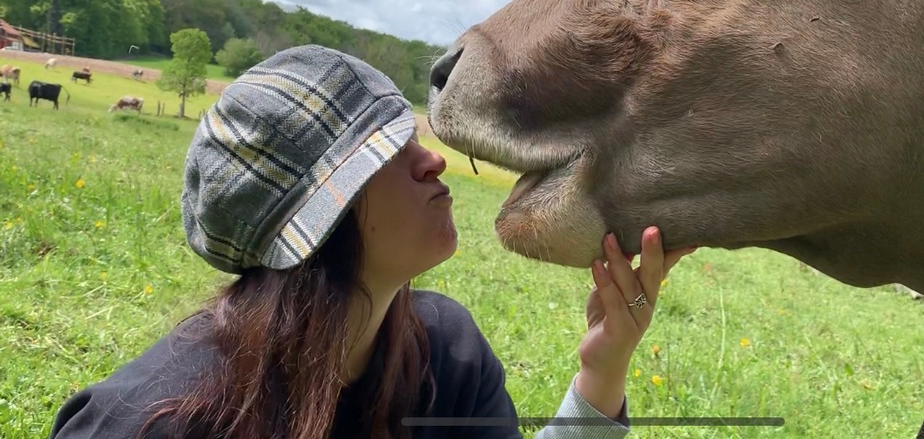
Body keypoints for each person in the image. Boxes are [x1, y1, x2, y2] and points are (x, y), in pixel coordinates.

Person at [49, 44, 695, 439]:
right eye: (386, 149)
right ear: (314, 216)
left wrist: (602, 368)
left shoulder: (447, 359)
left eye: (412, 136)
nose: (433, 162)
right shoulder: (146, 420)